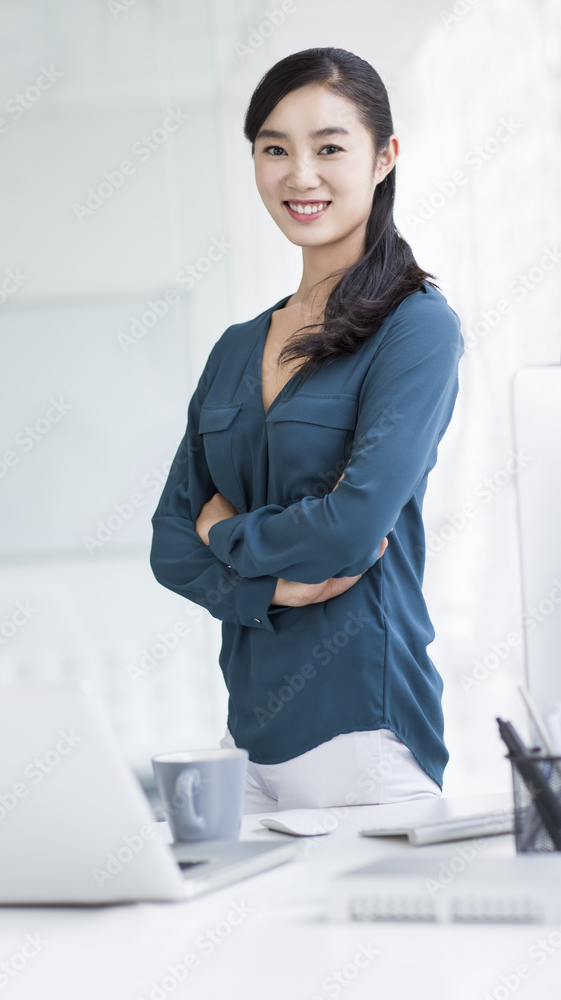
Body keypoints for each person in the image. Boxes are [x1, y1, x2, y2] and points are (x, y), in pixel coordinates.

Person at [149, 47, 463, 812]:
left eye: (329, 147)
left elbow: (351, 531)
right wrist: (277, 589)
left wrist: (226, 536)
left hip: (361, 734)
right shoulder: (235, 347)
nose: (300, 175)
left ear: (383, 157)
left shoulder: (415, 330)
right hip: (243, 746)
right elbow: (166, 544)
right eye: (274, 149)